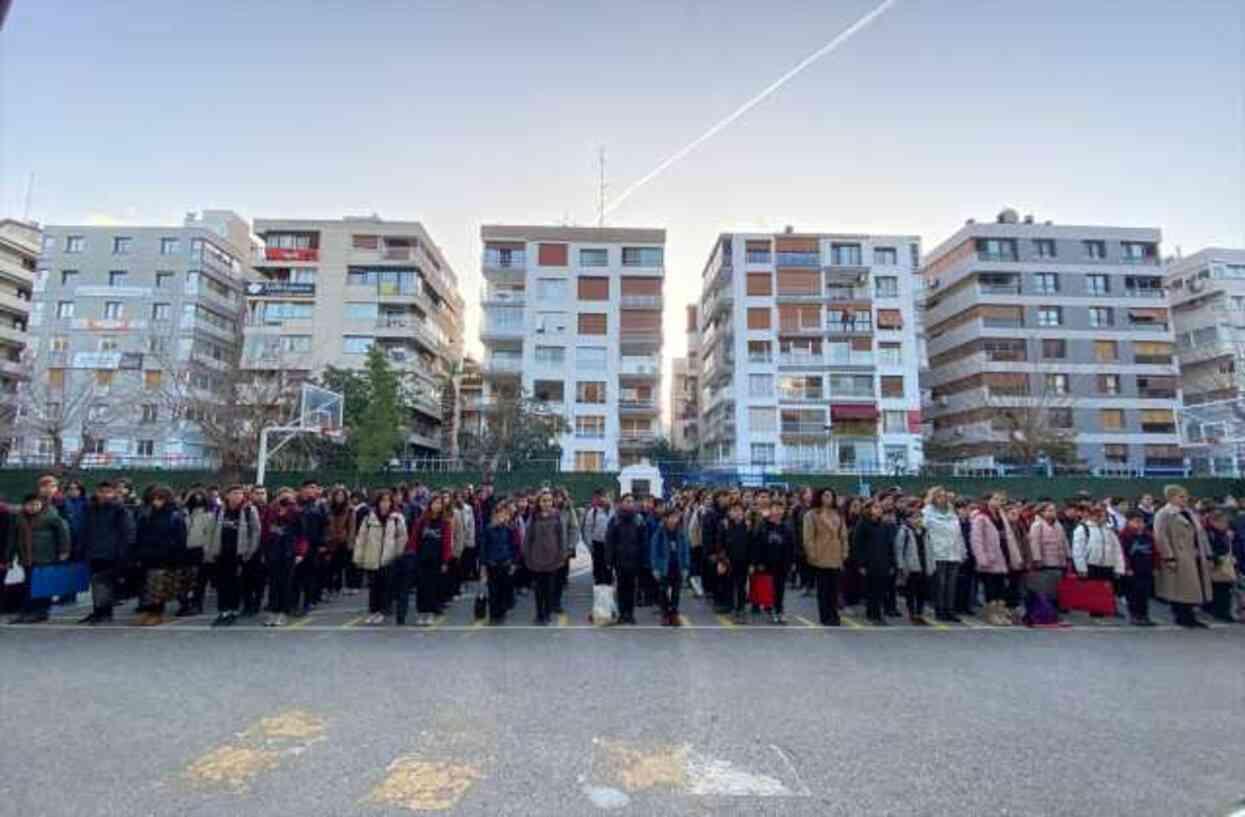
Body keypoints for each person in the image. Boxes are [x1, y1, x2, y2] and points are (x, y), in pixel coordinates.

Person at [1153, 485, 1214, 629]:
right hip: (1179, 555)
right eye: (1181, 496)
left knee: (1193, 587)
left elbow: (1201, 534)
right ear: (1171, 497)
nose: (1185, 499)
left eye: (1185, 496)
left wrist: (1208, 553)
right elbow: (1161, 537)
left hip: (1195, 555)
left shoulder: (1189, 513)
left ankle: (1190, 615)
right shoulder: (1164, 514)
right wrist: (1169, 557)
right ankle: (1181, 616)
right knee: (1180, 588)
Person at [6, 493, 71, 624]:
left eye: (36, 504)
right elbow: (12, 539)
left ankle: (41, 612)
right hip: (26, 559)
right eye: (30, 505)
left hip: (46, 557)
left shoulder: (50, 516)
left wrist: (64, 550)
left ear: (41, 505)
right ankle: (27, 612)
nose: (33, 507)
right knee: (29, 585)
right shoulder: (19, 518)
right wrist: (9, 557)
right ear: (24, 506)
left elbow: (63, 533)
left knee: (43, 586)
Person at [77, 481, 135, 625]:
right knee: (96, 584)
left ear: (114, 493)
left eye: (108, 492)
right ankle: (97, 611)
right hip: (93, 551)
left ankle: (105, 613)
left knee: (105, 584)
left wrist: (122, 552)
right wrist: (82, 547)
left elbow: (128, 533)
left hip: (111, 553)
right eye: (101, 491)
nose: (104, 495)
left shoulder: (120, 510)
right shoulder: (90, 509)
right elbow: (84, 529)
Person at [204, 485, 261, 627]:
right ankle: (223, 611)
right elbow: (211, 531)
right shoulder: (219, 510)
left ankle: (233, 611)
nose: (238, 496)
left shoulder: (249, 510)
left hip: (239, 554)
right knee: (222, 583)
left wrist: (250, 551)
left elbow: (256, 532)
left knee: (235, 583)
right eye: (234, 493)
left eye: (240, 493)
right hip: (221, 553)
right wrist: (209, 550)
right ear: (227, 495)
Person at [132, 486, 187, 626]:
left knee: (159, 587)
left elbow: (180, 538)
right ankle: (147, 611)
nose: (156, 501)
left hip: (164, 557)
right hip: (146, 556)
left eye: (160, 498)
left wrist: (175, 557)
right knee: (147, 586)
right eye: (154, 498)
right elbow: (140, 534)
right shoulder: (147, 514)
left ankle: (157, 613)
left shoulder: (174, 515)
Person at [353, 490, 407, 625]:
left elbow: (402, 537)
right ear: (377, 502)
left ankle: (382, 611)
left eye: (388, 501)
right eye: (382, 501)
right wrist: (358, 556)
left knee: (386, 586)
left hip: (389, 558)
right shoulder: (368, 518)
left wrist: (397, 553)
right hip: (372, 556)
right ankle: (373, 611)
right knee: (373, 587)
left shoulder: (396, 518)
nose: (385, 504)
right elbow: (361, 538)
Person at [969, 493, 1018, 627]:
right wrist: (981, 557)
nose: (999, 502)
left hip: (1002, 555)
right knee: (991, 587)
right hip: (989, 557)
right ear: (988, 501)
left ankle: (1000, 613)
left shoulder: (1002, 516)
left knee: (1001, 587)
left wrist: (1014, 556)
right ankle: (991, 614)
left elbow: (1009, 536)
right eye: (995, 499)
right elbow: (976, 539)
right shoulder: (980, 517)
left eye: (1001, 500)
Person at [1071, 505, 1126, 618]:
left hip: (1107, 564)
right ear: (1092, 516)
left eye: (1104, 516)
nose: (1102, 518)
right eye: (1099, 515)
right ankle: (1095, 610)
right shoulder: (1083, 529)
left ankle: (1108, 608)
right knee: (1094, 590)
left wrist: (1119, 567)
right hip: (1092, 565)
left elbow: (1117, 550)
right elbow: (1078, 550)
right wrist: (1081, 568)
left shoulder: (1109, 530)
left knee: (1108, 589)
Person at [803, 487, 847, 626]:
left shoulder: (838, 514)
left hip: (836, 556)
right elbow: (808, 537)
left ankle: (834, 614)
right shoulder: (811, 515)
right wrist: (812, 554)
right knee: (823, 590)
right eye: (826, 495)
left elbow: (843, 536)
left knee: (834, 589)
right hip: (820, 555)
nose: (829, 498)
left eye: (831, 495)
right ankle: (825, 616)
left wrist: (844, 552)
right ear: (820, 497)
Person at [407, 494, 452, 626]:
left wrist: (445, 561)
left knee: (433, 587)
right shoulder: (421, 521)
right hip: (422, 559)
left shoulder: (445, 523)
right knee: (421, 587)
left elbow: (447, 543)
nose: (437, 505)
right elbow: (414, 540)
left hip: (436, 560)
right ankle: (421, 613)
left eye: (439, 503)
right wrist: (412, 554)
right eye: (435, 503)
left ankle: (430, 613)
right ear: (430, 504)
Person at [263, 489, 305, 628]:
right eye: (282, 496)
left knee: (286, 583)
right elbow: (265, 532)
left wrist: (300, 553)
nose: (285, 499)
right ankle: (273, 611)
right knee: (273, 583)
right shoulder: (270, 511)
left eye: (288, 496)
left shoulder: (297, 513)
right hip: (273, 552)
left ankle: (283, 612)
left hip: (289, 552)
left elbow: (303, 535)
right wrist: (264, 551)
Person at [923, 487, 964, 623]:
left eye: (945, 496)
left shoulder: (952, 512)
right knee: (940, 584)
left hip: (954, 552)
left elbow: (958, 534)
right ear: (933, 497)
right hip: (938, 553)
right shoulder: (927, 512)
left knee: (951, 584)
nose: (943, 498)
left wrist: (963, 551)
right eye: (939, 496)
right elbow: (925, 530)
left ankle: (949, 610)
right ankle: (939, 610)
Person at [523, 491, 565, 626]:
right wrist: (527, 555)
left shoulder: (557, 516)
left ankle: (547, 613)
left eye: (549, 500)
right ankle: (539, 614)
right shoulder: (533, 517)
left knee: (549, 588)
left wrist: (561, 555)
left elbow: (561, 537)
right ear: (539, 503)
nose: (546, 503)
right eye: (543, 501)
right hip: (536, 558)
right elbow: (528, 538)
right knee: (538, 589)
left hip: (552, 558)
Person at [851, 500, 896, 626]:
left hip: (883, 562)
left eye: (880, 508)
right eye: (876, 507)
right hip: (870, 563)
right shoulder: (863, 524)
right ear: (869, 509)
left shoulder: (884, 525)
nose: (879, 510)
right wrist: (861, 564)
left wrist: (892, 563)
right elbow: (857, 546)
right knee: (871, 590)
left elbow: (890, 545)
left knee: (881, 590)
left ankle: (877, 613)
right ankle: (873, 614)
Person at [1026, 502, 1069, 626]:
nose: (1052, 512)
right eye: (1049, 510)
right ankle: (1041, 617)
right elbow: (1035, 543)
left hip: (1058, 563)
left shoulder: (1058, 525)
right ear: (1041, 512)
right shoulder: (1037, 525)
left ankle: (1053, 616)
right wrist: (1037, 559)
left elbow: (1064, 542)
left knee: (1054, 592)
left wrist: (1067, 556)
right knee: (1043, 591)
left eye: (1053, 510)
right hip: (1044, 564)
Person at [752, 500, 794, 625]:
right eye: (775, 508)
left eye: (780, 509)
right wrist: (757, 562)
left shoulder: (787, 527)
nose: (778, 511)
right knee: (768, 589)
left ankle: (780, 610)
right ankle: (771, 610)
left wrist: (791, 563)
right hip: (766, 564)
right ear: (770, 510)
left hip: (782, 564)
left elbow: (791, 547)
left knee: (780, 589)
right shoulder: (763, 525)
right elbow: (757, 545)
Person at [605, 494, 645, 625]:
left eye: (632, 501)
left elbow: (642, 541)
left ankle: (631, 614)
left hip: (634, 560)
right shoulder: (615, 519)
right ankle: (622, 614)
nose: (630, 503)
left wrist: (642, 558)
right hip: (620, 560)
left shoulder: (638, 519)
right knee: (621, 588)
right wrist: (609, 561)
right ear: (621, 503)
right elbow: (609, 541)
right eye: (627, 501)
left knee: (633, 588)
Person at [650, 507, 690, 627]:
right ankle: (665, 614)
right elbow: (654, 551)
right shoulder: (659, 532)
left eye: (676, 517)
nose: (674, 520)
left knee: (676, 592)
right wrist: (655, 568)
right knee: (663, 591)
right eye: (671, 517)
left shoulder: (681, 532)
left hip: (677, 566)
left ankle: (674, 613)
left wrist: (686, 567)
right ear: (665, 518)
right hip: (664, 567)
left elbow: (686, 550)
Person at [177, 489, 214, 617]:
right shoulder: (182, 514)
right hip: (183, 551)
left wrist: (208, 553)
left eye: (200, 498)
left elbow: (210, 535)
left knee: (199, 581)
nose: (197, 500)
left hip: (200, 550)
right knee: (183, 581)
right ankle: (184, 604)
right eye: (194, 497)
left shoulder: (209, 515)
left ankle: (196, 604)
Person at [895, 507, 933, 626]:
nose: (917, 520)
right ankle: (912, 613)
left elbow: (929, 548)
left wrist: (931, 564)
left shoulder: (925, 531)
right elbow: (899, 549)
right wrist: (901, 565)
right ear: (908, 519)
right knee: (911, 592)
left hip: (924, 565)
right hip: (911, 567)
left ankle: (920, 613)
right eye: (914, 517)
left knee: (922, 591)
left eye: (919, 517)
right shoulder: (905, 531)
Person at [1118, 510, 1156, 626]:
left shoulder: (1148, 535)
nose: (1139, 524)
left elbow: (1154, 552)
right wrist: (1127, 567)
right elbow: (1122, 553)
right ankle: (1134, 616)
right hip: (1133, 569)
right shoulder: (1125, 535)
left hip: (1146, 568)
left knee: (1145, 594)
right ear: (1129, 522)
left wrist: (1155, 566)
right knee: (1133, 594)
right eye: (1136, 522)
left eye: (1141, 522)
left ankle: (1144, 615)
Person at [480, 504, 515, 624]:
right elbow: (483, 549)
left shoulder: (509, 529)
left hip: (505, 564)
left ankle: (502, 613)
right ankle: (493, 615)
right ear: (494, 516)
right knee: (493, 591)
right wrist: (483, 566)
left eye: (504, 514)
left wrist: (512, 563)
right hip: (492, 565)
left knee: (503, 590)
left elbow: (512, 547)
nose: (501, 517)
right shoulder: (488, 529)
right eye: (499, 514)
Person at [1203, 509, 1237, 622]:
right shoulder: (1209, 533)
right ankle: (1220, 611)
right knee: (1219, 589)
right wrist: (1216, 558)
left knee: (1225, 589)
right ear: (1214, 521)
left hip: (1225, 563)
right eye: (1223, 522)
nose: (1226, 525)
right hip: (1216, 563)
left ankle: (1222, 610)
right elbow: (1208, 549)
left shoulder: (1224, 533)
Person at [721, 502, 751, 624]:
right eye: (734, 510)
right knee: (729, 585)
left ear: (743, 513)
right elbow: (721, 544)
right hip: (729, 561)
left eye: (739, 510)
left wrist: (752, 563)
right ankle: (731, 607)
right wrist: (722, 561)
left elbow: (752, 546)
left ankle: (741, 609)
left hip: (744, 562)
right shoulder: (726, 526)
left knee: (741, 586)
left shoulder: (748, 527)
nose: (737, 513)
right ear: (730, 513)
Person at [324, 487, 356, 599]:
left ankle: (338, 588)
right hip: (331, 540)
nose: (339, 497)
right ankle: (329, 588)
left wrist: (350, 541)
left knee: (340, 565)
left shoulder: (349, 509)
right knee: (329, 566)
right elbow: (326, 524)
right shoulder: (328, 508)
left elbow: (352, 527)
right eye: (337, 495)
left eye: (341, 495)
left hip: (343, 540)